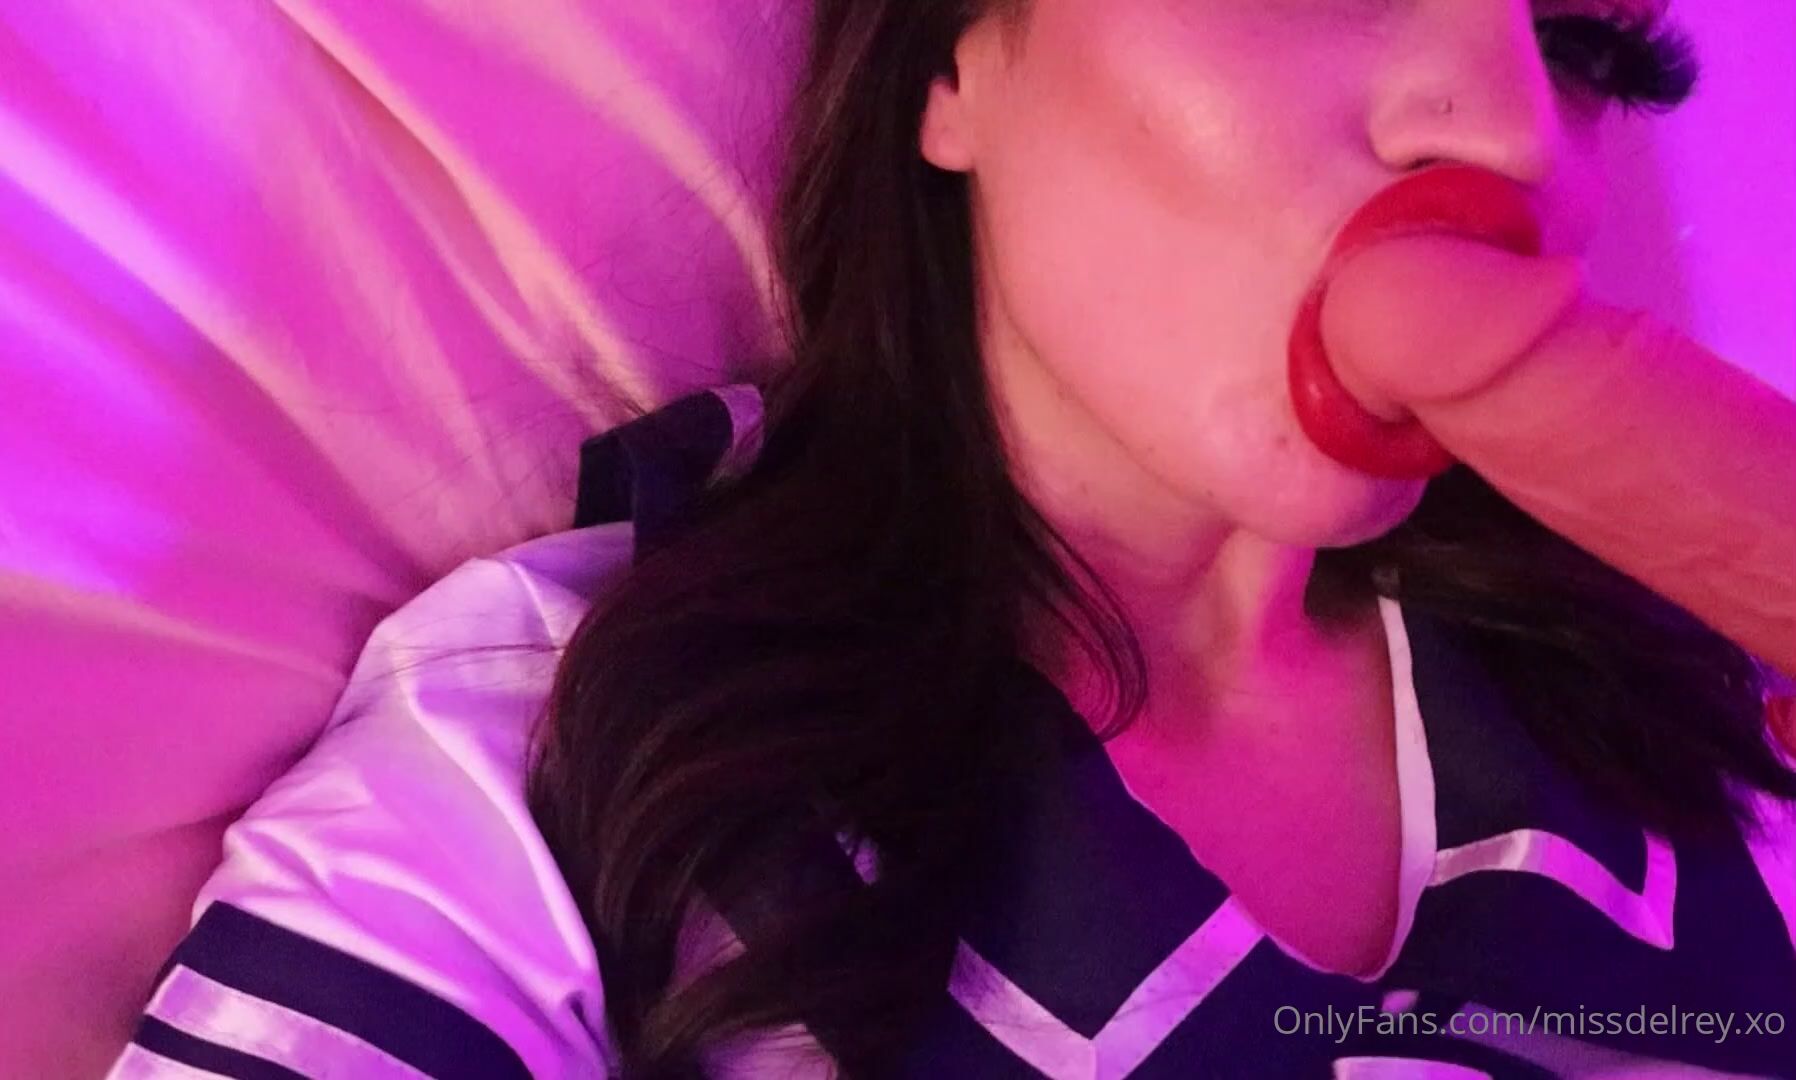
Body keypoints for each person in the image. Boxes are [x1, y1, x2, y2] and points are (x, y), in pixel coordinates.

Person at [110, 1, 1796, 1077]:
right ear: (952, 62)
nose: (1516, 136)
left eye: (1590, 45)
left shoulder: (1704, 706)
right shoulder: (562, 738)